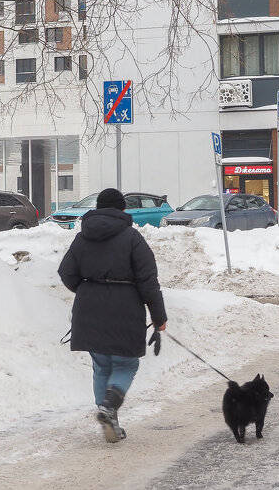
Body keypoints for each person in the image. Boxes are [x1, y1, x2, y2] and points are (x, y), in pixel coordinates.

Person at [58, 187, 167, 443]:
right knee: (125, 363)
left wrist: (87, 289)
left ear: (98, 208)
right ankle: (110, 407)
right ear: (122, 209)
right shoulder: (132, 238)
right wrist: (159, 316)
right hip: (124, 306)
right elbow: (148, 281)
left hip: (89, 307)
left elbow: (66, 272)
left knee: (102, 365)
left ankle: (108, 415)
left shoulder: (83, 237)